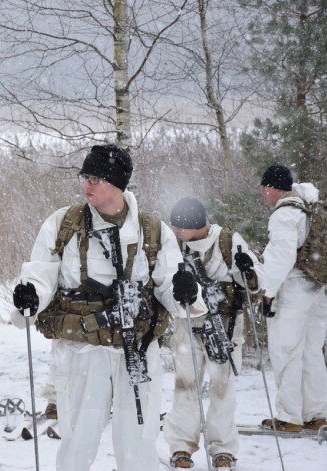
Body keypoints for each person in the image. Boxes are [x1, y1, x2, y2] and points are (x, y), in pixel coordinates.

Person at [11, 144, 205, 471]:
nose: (86, 185)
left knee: (139, 442)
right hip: (82, 351)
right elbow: (41, 273)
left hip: (139, 350)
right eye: (85, 177)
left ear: (116, 183)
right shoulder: (64, 223)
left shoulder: (152, 232)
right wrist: (30, 294)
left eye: (95, 178)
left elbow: (171, 287)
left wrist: (186, 291)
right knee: (77, 440)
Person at [163, 197, 261, 469]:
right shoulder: (173, 245)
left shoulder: (228, 241)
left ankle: (223, 448)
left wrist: (247, 269)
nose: (175, 230)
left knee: (222, 386)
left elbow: (254, 283)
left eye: (179, 226)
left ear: (194, 224)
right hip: (187, 323)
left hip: (225, 324)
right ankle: (181, 445)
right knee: (185, 384)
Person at [258, 165, 327, 432]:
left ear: (273, 188)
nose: (265, 195)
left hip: (295, 286)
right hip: (319, 286)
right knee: (311, 351)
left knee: (285, 350)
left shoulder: (285, 213)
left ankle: (289, 417)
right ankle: (317, 413)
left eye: (265, 189)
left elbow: (281, 256)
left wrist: (268, 292)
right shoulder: (311, 208)